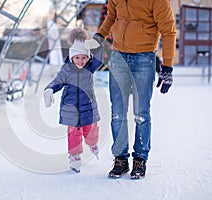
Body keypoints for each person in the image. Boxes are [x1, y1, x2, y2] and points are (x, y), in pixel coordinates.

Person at [95, 0, 176, 179]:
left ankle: (140, 158)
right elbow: (112, 17)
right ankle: (121, 159)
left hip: (144, 57)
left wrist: (167, 67)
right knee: (117, 112)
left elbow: (169, 32)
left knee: (141, 113)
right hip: (118, 56)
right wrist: (100, 35)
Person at [43, 28, 104, 173]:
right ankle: (75, 156)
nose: (81, 61)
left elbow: (99, 58)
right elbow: (57, 81)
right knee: (73, 133)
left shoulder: (90, 68)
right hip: (70, 110)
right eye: (77, 58)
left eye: (84, 57)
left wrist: (97, 46)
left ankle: (92, 144)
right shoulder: (66, 71)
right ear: (71, 58)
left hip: (88, 108)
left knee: (91, 132)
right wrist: (49, 89)